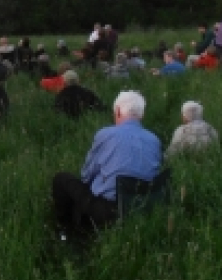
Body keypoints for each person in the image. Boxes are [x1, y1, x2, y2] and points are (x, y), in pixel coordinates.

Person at [52, 91, 162, 231]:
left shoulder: (105, 134)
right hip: (142, 208)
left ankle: (67, 232)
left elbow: (86, 175)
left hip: (108, 211)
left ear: (117, 111)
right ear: (142, 115)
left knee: (61, 179)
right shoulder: (154, 140)